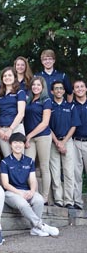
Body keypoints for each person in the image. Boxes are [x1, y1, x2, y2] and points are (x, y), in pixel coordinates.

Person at [0, 132, 59, 237]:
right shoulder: (5, 162)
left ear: (24, 144)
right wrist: (19, 193)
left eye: (20, 143)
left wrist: (32, 191)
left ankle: (35, 229)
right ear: (10, 144)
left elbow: (32, 180)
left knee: (39, 199)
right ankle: (40, 225)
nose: (18, 145)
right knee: (22, 203)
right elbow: (5, 184)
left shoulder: (29, 161)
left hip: (26, 191)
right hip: (11, 193)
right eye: (15, 142)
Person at [49, 81, 81, 209]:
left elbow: (74, 126)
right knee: (55, 172)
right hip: (53, 142)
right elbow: (47, 126)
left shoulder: (71, 106)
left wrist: (63, 142)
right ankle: (58, 199)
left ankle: (69, 200)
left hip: (67, 141)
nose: (58, 90)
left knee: (69, 172)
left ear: (64, 91)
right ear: (52, 91)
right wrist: (57, 141)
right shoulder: (49, 107)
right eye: (56, 89)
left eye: (61, 89)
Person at [24, 77, 52, 204]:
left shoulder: (46, 100)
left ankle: (45, 197)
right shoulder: (29, 100)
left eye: (38, 85)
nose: (35, 87)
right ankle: (32, 193)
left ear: (43, 86)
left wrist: (29, 136)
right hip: (30, 138)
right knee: (29, 166)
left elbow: (45, 123)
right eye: (33, 85)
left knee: (44, 167)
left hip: (42, 137)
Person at [0, 67, 26, 157]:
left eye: (10, 75)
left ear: (14, 77)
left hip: (16, 128)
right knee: (8, 158)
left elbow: (21, 113)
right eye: (5, 76)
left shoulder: (20, 92)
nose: (7, 77)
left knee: (19, 158)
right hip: (2, 131)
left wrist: (10, 130)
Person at [72, 79, 87, 210]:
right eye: (77, 87)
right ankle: (77, 202)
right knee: (76, 174)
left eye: (82, 86)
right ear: (74, 90)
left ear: (86, 88)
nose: (80, 89)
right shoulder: (71, 105)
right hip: (75, 142)